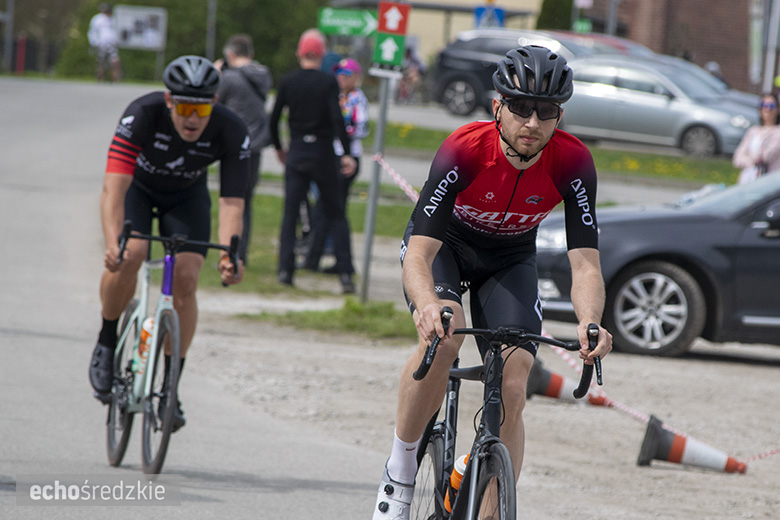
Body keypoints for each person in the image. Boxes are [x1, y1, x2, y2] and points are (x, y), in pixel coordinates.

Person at [371, 45, 613, 519]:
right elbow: (419, 252)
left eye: (546, 111)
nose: (532, 122)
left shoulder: (573, 162)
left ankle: (489, 511)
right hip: (446, 249)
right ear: (497, 107)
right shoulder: (463, 149)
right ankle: (399, 473)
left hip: (509, 258)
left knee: (516, 381)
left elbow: (585, 264)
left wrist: (590, 321)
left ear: (559, 115)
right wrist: (426, 304)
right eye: (520, 107)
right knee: (444, 336)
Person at [88, 55, 249, 432]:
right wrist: (113, 243)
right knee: (131, 255)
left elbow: (232, 202)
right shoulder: (141, 115)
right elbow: (114, 189)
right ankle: (107, 341)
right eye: (185, 108)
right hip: (137, 191)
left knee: (187, 279)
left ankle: (170, 385)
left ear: (214, 104)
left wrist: (230, 252)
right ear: (168, 101)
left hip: (187, 197)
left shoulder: (231, 129)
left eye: (202, 108)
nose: (193, 118)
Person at [269, 28, 357, 294]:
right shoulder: (328, 83)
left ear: (299, 53)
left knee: (290, 213)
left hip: (296, 150)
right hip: (322, 153)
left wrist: (279, 148)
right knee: (336, 213)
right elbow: (336, 120)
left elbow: (273, 120)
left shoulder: (288, 81)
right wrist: (346, 153)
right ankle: (345, 274)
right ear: (321, 55)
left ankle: (285, 270)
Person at [215, 34, 273, 265]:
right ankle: (242, 253)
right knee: (246, 203)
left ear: (230, 54)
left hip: (234, 147)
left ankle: (230, 251)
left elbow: (213, 104)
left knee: (231, 202)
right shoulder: (263, 75)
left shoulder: (229, 78)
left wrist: (216, 73)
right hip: (256, 146)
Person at [307, 58, 370, 273]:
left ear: (355, 77)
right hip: (330, 156)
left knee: (334, 209)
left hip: (348, 158)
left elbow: (359, 128)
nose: (341, 77)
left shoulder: (357, 99)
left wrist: (339, 128)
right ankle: (313, 258)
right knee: (322, 209)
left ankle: (340, 262)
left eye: (346, 73)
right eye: (338, 73)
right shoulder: (335, 95)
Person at [732, 92, 780, 184]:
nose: (767, 109)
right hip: (748, 179)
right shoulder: (753, 131)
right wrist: (751, 163)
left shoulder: (778, 132)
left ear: (777, 109)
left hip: (769, 181)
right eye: (764, 105)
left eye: (771, 106)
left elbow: (767, 156)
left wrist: (753, 158)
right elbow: (738, 157)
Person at [87, 3, 121, 82]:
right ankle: (100, 76)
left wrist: (117, 41)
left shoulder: (113, 19)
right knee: (101, 60)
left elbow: (116, 31)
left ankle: (115, 77)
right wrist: (94, 42)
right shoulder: (97, 19)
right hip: (101, 43)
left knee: (115, 60)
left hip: (112, 43)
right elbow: (92, 32)